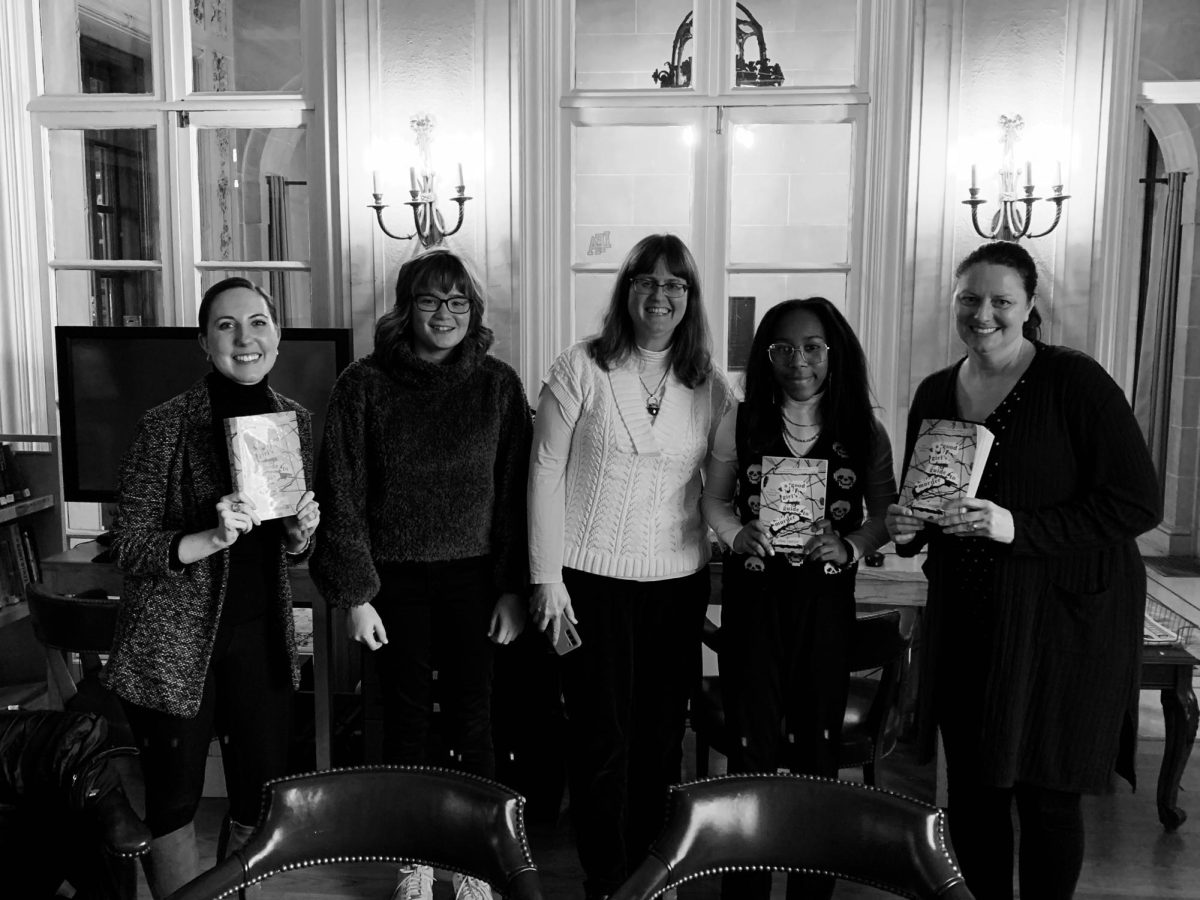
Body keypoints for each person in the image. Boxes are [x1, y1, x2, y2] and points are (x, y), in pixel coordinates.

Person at [885, 241, 1160, 900]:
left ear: (1030, 306)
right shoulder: (934, 391)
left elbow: (1137, 502)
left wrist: (1014, 525)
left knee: (1047, 801)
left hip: (1062, 625)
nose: (984, 314)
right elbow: (929, 505)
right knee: (976, 799)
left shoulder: (1076, 382)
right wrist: (906, 527)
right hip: (969, 622)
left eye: (1001, 301)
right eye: (970, 299)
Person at [311, 247, 531, 900]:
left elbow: (517, 492)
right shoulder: (363, 383)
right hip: (392, 586)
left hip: (477, 581)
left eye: (458, 301)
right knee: (403, 727)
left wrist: (515, 589)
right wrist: (355, 595)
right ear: (405, 310)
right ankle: (414, 859)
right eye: (430, 300)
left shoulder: (497, 384)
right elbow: (340, 492)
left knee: (472, 722)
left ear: (475, 311)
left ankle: (472, 861)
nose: (445, 313)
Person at [528, 233, 734, 900]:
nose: (660, 294)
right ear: (626, 291)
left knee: (658, 738)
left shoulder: (709, 385)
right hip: (589, 586)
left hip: (676, 584)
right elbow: (544, 476)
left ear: (690, 299)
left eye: (676, 284)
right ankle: (606, 879)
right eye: (647, 279)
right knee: (600, 740)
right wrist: (546, 577)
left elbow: (720, 487)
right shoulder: (580, 367)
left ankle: (652, 872)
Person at [108, 277, 320, 899]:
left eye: (257, 322)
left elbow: (286, 541)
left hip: (261, 638)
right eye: (226, 325)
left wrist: (299, 533)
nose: (244, 337)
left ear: (277, 336)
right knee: (175, 797)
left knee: (260, 792)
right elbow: (129, 544)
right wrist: (207, 537)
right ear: (205, 342)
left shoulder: (295, 425)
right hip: (175, 645)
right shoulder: (165, 425)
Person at [701, 297, 896, 900]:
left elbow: (888, 513)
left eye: (812, 347)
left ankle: (812, 888)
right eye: (782, 348)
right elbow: (714, 499)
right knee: (750, 747)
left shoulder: (863, 427)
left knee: (818, 746)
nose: (797, 360)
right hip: (754, 600)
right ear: (765, 355)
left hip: (824, 603)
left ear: (833, 352)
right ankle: (747, 887)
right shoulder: (740, 419)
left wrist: (853, 544)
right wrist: (737, 534)